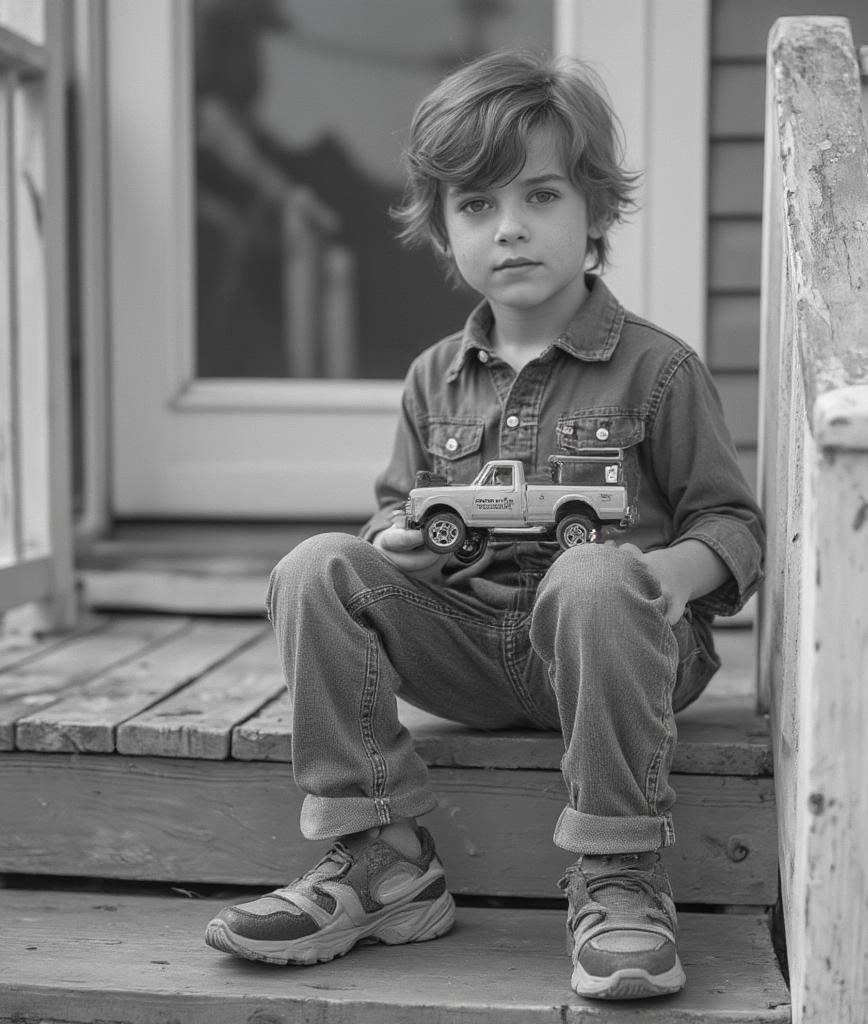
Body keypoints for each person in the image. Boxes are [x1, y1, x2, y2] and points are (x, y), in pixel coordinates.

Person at [205, 49, 764, 1001]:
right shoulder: (434, 376)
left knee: (592, 573)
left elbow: (733, 523)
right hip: (470, 648)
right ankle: (380, 857)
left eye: (541, 196)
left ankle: (620, 874)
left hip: (623, 652)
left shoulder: (658, 371)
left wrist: (669, 575)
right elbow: (396, 503)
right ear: (443, 229)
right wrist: (394, 542)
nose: (510, 229)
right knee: (316, 566)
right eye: (476, 206)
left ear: (594, 210)